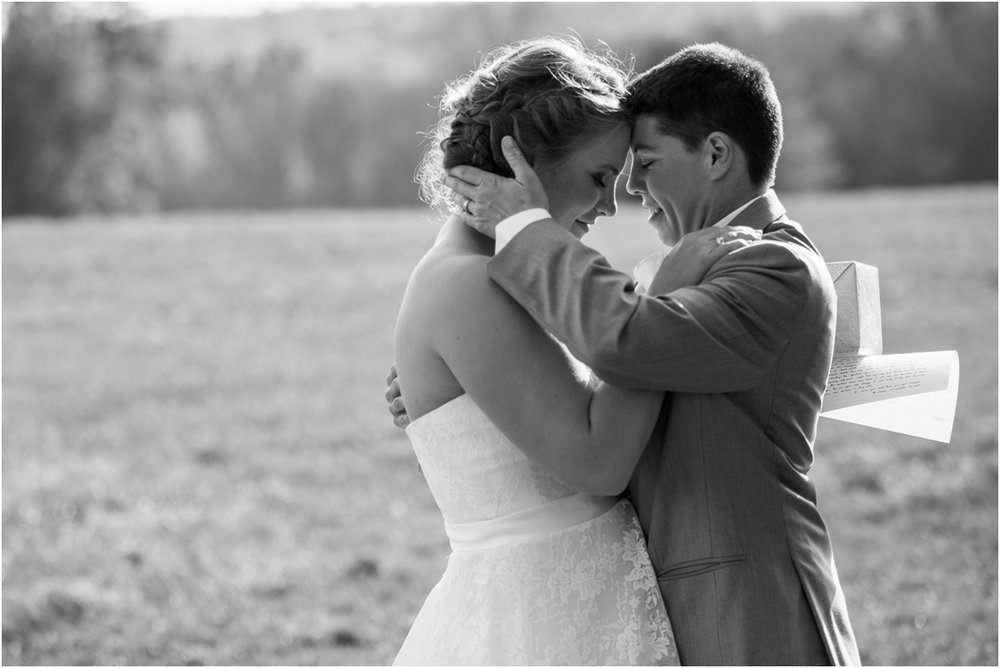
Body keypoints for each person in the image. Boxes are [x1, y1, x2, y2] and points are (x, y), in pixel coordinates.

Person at [437, 43, 862, 665]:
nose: (632, 188)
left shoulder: (769, 263)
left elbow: (627, 343)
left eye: (647, 162)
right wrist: (466, 380)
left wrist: (526, 227)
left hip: (745, 611)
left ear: (715, 154)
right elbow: (624, 369)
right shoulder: (710, 259)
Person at [387, 37, 716, 665]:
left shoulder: (495, 272)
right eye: (599, 177)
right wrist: (661, 307)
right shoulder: (468, 282)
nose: (609, 204)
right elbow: (597, 463)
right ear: (523, 158)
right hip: (543, 624)